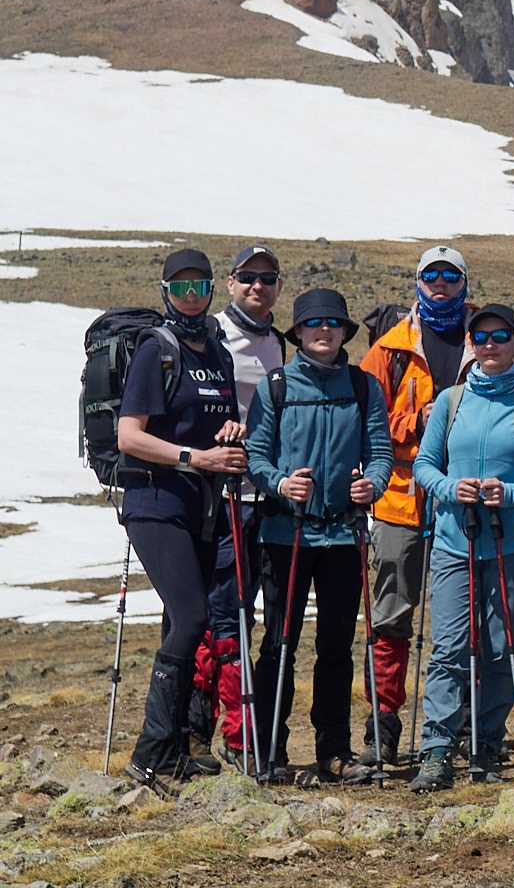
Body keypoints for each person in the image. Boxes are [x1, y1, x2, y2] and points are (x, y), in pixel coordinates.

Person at [410, 304, 514, 790]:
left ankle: (487, 745)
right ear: (471, 346)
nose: (490, 345)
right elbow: (423, 466)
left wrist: (511, 493)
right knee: (450, 646)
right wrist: (449, 487)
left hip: (511, 545)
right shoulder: (451, 401)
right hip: (454, 542)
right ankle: (437, 748)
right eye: (481, 338)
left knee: (499, 646)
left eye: (500, 336)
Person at [245, 289, 394, 781]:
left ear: (346, 331)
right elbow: (257, 454)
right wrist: (281, 484)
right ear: (299, 333)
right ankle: (269, 749)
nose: (324, 331)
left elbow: (380, 451)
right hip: (285, 535)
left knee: (335, 645)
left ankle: (335, 750)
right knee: (279, 642)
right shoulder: (277, 387)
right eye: (314, 324)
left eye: (334, 323)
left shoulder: (365, 386)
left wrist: (372, 484)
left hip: (343, 537)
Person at [112, 249, 245, 792]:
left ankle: (171, 753)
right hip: (154, 503)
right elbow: (129, 435)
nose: (192, 295)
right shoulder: (155, 349)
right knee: (191, 618)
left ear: (212, 289)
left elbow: (214, 415)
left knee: (181, 622)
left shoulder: (216, 350)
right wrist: (197, 459)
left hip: (198, 507)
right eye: (181, 287)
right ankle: (148, 754)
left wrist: (229, 434)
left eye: (200, 286)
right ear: (164, 290)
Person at [360, 246, 474, 761]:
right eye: (432, 275)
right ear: (418, 282)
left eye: (452, 276)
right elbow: (364, 421)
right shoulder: (389, 349)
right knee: (390, 614)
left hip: (464, 499)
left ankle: (461, 720)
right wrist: (418, 423)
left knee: (465, 616)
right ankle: (382, 723)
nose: (442, 284)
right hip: (400, 502)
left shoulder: (486, 338)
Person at [198, 245, 286, 768]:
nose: (258, 286)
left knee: (244, 613)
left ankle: (234, 735)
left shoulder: (277, 342)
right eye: (248, 278)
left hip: (266, 496)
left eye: (268, 278)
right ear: (229, 283)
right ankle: (224, 737)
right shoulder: (210, 335)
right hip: (222, 497)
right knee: (224, 615)